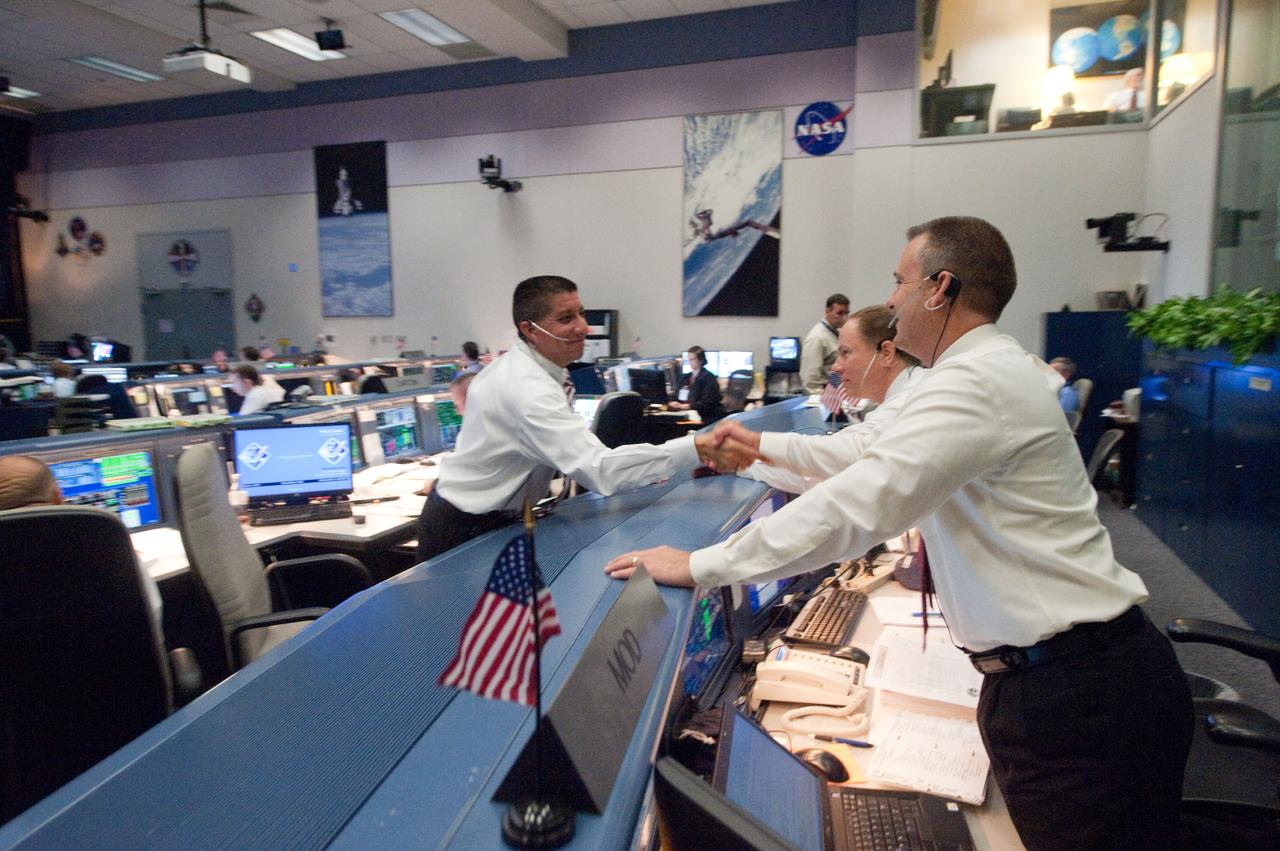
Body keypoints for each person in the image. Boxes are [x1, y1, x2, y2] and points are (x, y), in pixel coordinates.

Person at [605, 216, 1192, 851]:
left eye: (899, 282)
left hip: (1076, 694)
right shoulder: (974, 373)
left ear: (939, 288)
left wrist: (698, 566)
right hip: (1067, 677)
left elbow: (858, 505)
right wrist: (760, 449)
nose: (890, 300)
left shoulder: (975, 382)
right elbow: (867, 452)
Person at [417, 274, 717, 563]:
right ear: (530, 330)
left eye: (581, 314)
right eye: (566, 319)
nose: (584, 328)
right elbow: (602, 470)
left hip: (498, 516)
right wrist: (697, 449)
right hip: (464, 527)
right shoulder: (525, 388)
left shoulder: (543, 371)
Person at [719, 305, 923, 494]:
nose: (836, 367)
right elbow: (826, 468)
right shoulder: (897, 401)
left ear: (886, 353)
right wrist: (745, 465)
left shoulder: (912, 400)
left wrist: (754, 443)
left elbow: (847, 458)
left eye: (845, 353)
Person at [799, 294, 850, 393]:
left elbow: (831, 370)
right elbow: (810, 378)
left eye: (846, 313)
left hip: (836, 391)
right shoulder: (817, 337)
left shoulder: (834, 334)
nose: (844, 318)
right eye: (839, 313)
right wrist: (824, 399)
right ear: (827, 311)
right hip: (822, 396)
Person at [669, 345, 724, 424]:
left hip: (702, 416)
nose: (690, 362)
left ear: (700, 360)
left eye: (692, 359)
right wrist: (672, 401)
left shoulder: (709, 378)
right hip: (685, 413)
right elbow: (676, 394)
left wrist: (688, 406)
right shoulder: (686, 377)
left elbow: (707, 403)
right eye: (689, 359)